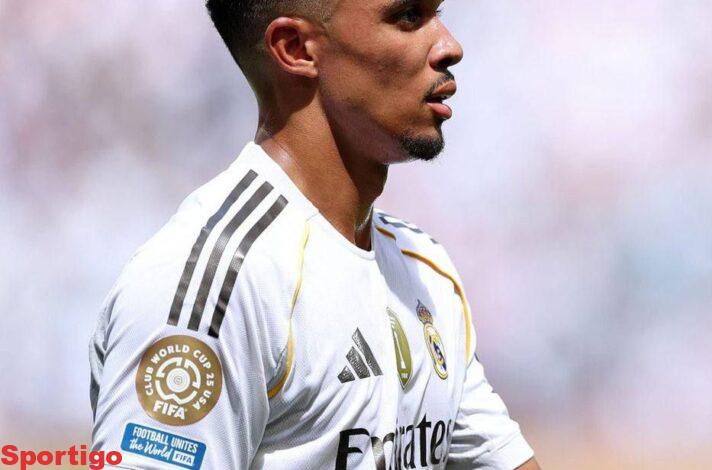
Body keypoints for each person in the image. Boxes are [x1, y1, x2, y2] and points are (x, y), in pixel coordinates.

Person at [89, 1, 540, 468]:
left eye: (437, 13)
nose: (450, 46)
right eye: (407, 17)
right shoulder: (220, 282)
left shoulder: (424, 269)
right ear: (295, 49)